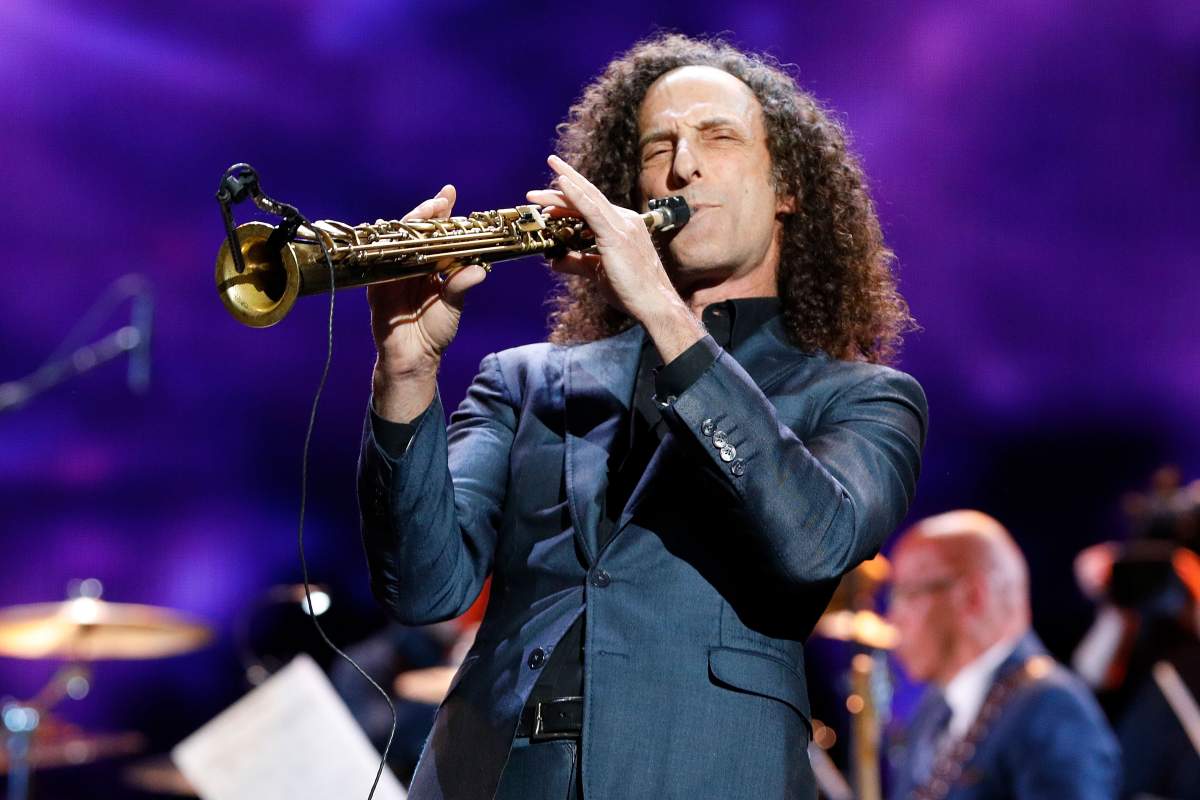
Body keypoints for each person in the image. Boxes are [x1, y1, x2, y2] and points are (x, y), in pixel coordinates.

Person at [358, 34, 927, 800]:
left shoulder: (863, 397)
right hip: (487, 777)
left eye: (718, 137)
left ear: (787, 186)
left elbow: (814, 543)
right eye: (659, 145)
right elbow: (424, 589)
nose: (681, 165)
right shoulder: (526, 380)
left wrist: (660, 305)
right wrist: (406, 371)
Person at [886, 510, 1120, 800]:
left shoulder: (1052, 710)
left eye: (906, 594)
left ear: (972, 596)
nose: (893, 618)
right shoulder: (933, 710)